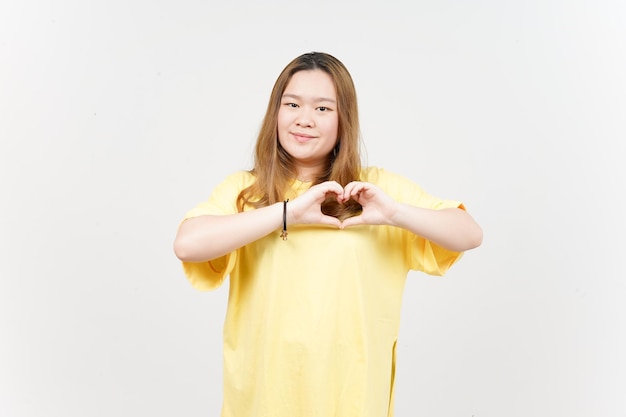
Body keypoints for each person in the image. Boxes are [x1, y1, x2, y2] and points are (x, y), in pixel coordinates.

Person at [173, 51, 482, 417]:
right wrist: (286, 213)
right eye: (292, 104)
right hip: (262, 402)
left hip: (351, 401)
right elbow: (187, 244)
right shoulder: (247, 192)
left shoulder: (375, 191)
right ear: (276, 112)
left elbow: (468, 233)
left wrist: (394, 213)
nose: (304, 120)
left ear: (343, 120)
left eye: (323, 109)